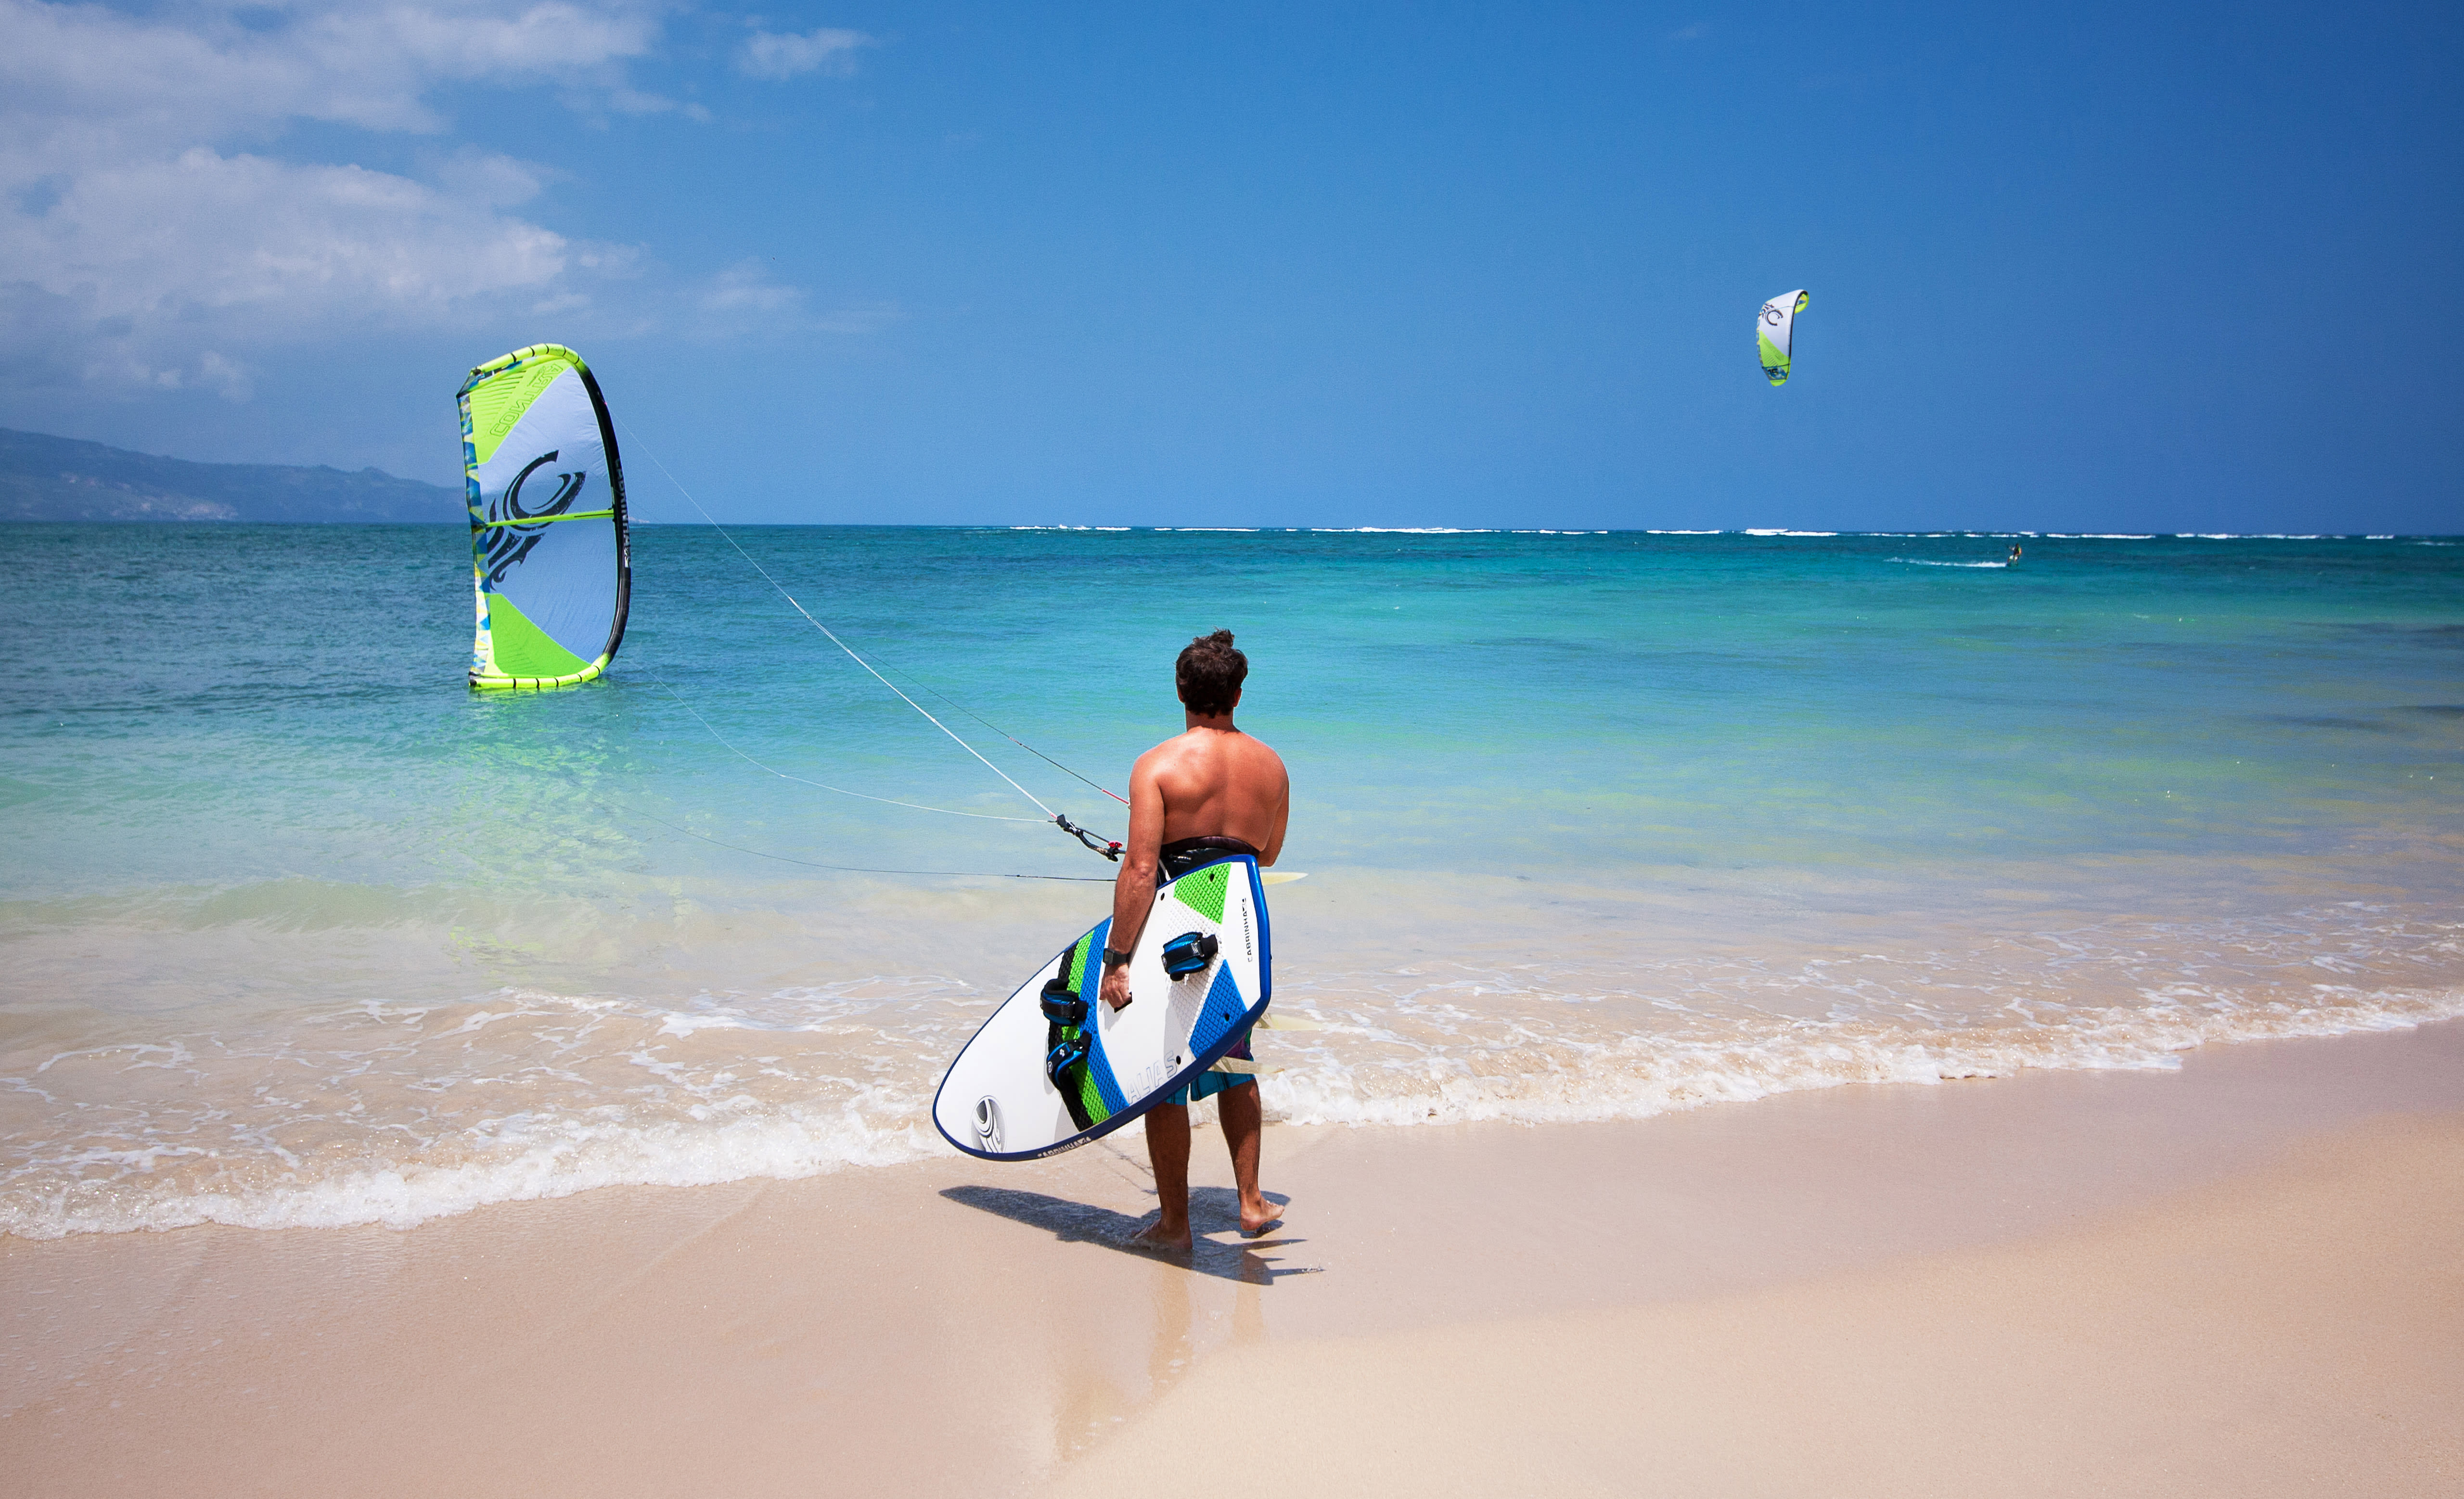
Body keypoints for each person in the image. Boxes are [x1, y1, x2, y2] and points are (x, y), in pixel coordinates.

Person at [1098, 628, 1290, 1251]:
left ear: (1181, 689)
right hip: (1238, 933)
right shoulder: (1272, 767)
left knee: (1164, 1071)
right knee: (1235, 1064)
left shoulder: (1156, 766)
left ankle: (1176, 1224)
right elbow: (1267, 855)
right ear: (1238, 692)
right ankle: (1253, 1202)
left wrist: (1118, 960)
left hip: (1175, 933)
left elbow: (1141, 870)